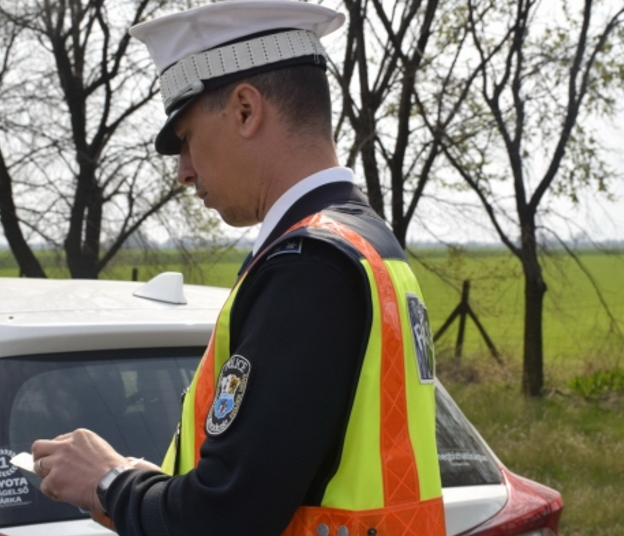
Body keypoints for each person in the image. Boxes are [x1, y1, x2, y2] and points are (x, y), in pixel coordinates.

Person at [30, 1, 445, 535]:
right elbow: (276, 484)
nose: (183, 171)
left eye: (185, 139)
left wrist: (108, 481)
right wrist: (151, 487)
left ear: (246, 110)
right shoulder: (365, 245)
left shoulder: (308, 266)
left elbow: (226, 517)